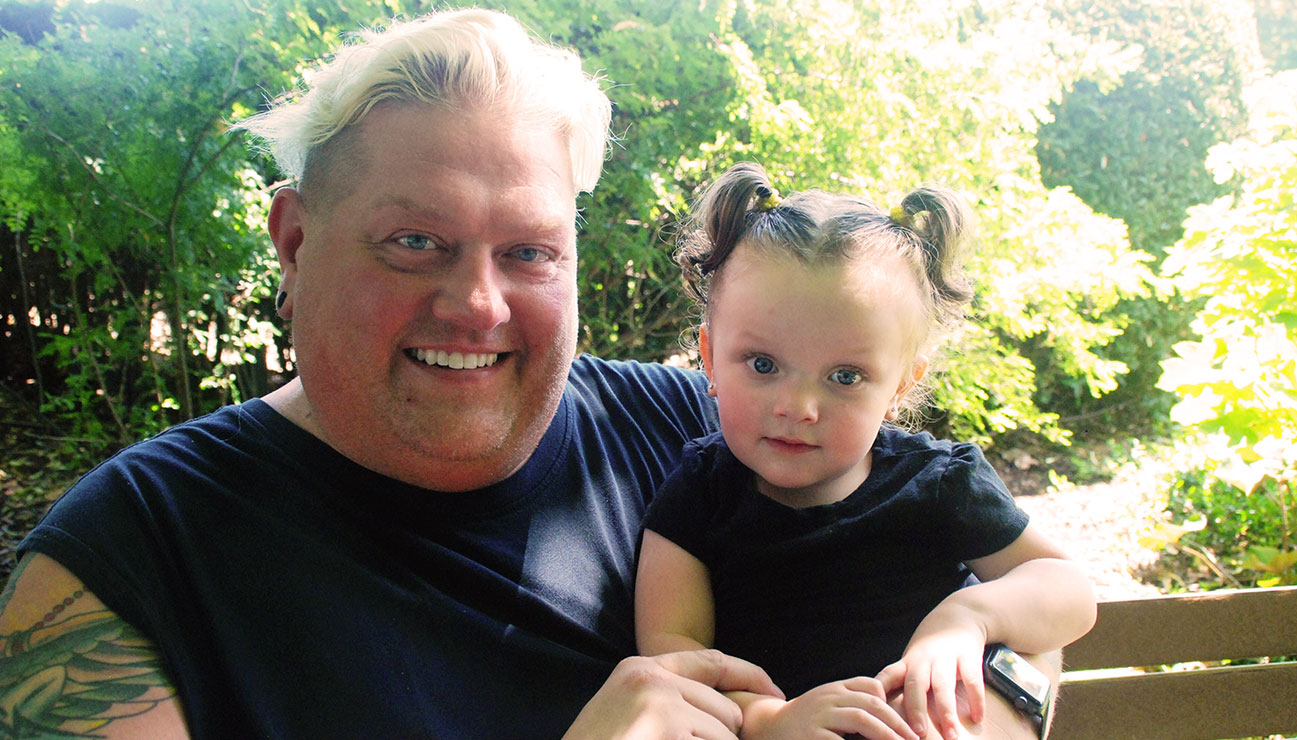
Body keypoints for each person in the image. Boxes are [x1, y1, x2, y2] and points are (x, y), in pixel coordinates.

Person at [0, 9, 783, 739]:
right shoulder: (127, 567)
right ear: (296, 243)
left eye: (529, 252)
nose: (479, 306)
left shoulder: (700, 432)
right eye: (415, 241)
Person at [634, 163, 1098, 740]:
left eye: (846, 376)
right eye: (762, 364)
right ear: (709, 356)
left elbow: (1069, 590)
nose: (799, 406)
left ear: (900, 385)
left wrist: (967, 618)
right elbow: (673, 656)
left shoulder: (936, 483)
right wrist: (768, 720)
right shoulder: (699, 493)